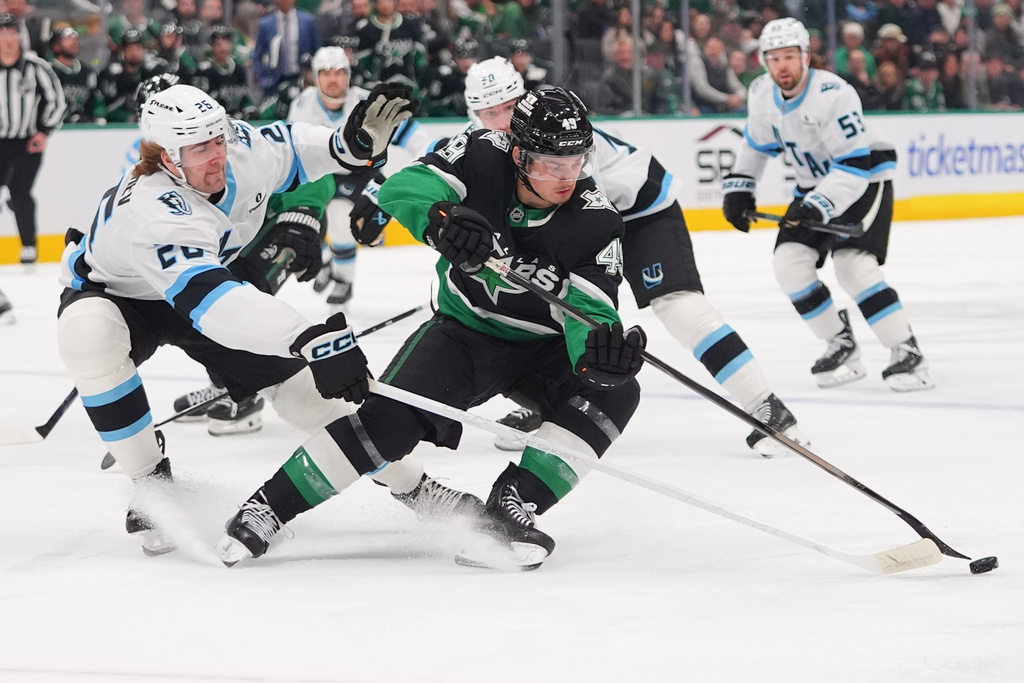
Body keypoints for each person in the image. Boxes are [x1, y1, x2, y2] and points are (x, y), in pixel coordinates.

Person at [215, 87, 645, 570]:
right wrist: (441, 219)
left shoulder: (596, 220)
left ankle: (513, 503)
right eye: (550, 164)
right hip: (465, 333)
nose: (566, 177)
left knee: (617, 393)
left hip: (544, 347)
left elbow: (592, 312)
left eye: (575, 162)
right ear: (520, 153)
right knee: (385, 425)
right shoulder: (481, 152)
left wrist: (598, 357)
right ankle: (269, 506)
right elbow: (403, 188)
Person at [56, 82, 470, 556]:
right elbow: (211, 303)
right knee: (88, 336)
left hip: (206, 280)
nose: (217, 157)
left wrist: (346, 147)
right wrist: (304, 337)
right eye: (199, 150)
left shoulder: (238, 149)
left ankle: (415, 486)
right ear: (167, 158)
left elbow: (292, 147)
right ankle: (151, 482)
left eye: (218, 141)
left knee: (306, 398)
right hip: (119, 296)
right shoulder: (154, 211)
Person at [429, 57, 806, 456]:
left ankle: (765, 404)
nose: (503, 119)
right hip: (586, 224)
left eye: (510, 106)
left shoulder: (550, 133)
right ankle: (546, 403)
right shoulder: (482, 147)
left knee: (676, 305)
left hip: (643, 211)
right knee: (529, 310)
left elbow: (581, 209)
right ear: (474, 114)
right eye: (491, 112)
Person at [722, 17, 934, 393]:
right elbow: (755, 147)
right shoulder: (760, 94)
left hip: (864, 181)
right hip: (814, 187)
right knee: (789, 265)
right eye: (774, 58)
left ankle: (906, 349)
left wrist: (815, 205)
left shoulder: (834, 93)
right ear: (764, 62)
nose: (782, 66)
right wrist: (739, 190)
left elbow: (853, 165)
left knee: (853, 265)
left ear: (806, 57)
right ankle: (841, 343)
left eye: (790, 56)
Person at [286, 45, 431, 308]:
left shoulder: (367, 102)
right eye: (326, 72)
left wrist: (424, 165)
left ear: (349, 75)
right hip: (322, 170)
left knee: (342, 220)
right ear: (315, 77)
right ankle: (326, 261)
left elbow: (414, 136)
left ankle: (343, 280)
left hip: (361, 172)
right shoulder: (302, 105)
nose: (333, 78)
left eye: (339, 72)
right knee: (300, 216)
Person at [0, 12, 66, 268]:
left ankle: (29, 246)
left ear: (20, 35)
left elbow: (57, 101)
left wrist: (44, 131)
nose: (8, 39)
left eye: (12, 32)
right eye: (3, 33)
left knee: (21, 193)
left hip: (27, 143)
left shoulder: (35, 66)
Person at [48, 27, 106, 124]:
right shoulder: (48, 71)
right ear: (55, 46)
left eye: (75, 39)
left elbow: (97, 100)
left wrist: (98, 116)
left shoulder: (88, 72)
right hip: (56, 126)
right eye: (67, 39)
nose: (74, 42)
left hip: (83, 126)